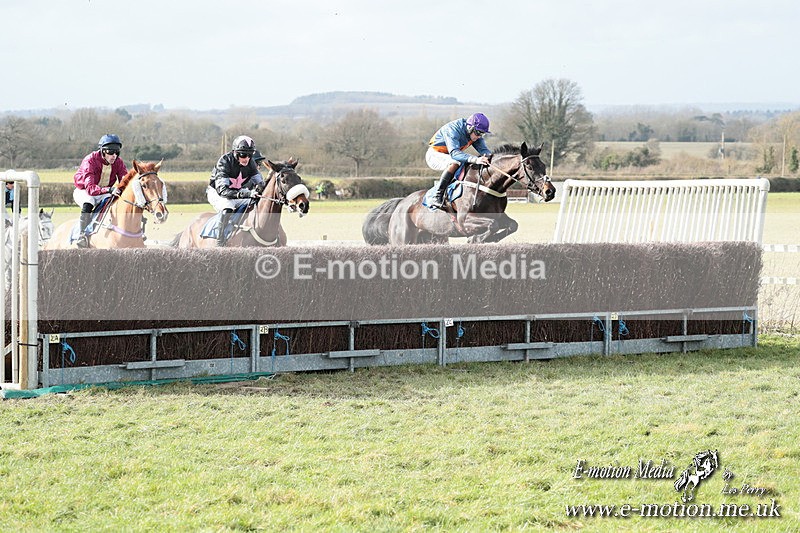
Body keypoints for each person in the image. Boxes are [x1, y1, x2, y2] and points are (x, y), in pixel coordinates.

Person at [426, 112, 493, 209]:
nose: (479, 136)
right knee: (456, 162)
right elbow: (455, 153)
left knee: (466, 163)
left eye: (482, 134)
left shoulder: (474, 133)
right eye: (478, 133)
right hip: (435, 155)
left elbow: (485, 151)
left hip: (449, 156)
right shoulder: (453, 129)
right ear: (470, 128)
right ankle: (436, 196)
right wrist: (476, 159)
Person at [207, 135, 264, 246]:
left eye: (250, 154)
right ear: (235, 152)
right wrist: (246, 193)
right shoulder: (224, 161)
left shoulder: (251, 163)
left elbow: (261, 184)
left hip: (238, 192)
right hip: (218, 193)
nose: (246, 158)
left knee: (258, 203)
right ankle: (220, 240)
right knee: (227, 207)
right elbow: (223, 191)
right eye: (243, 154)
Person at [72, 134, 128, 247]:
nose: (114, 156)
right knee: (89, 202)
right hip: (84, 190)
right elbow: (91, 189)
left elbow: (125, 180)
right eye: (110, 152)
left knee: (116, 203)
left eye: (117, 152)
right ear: (102, 151)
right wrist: (110, 189)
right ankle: (82, 235)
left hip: (105, 191)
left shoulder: (118, 162)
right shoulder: (90, 160)